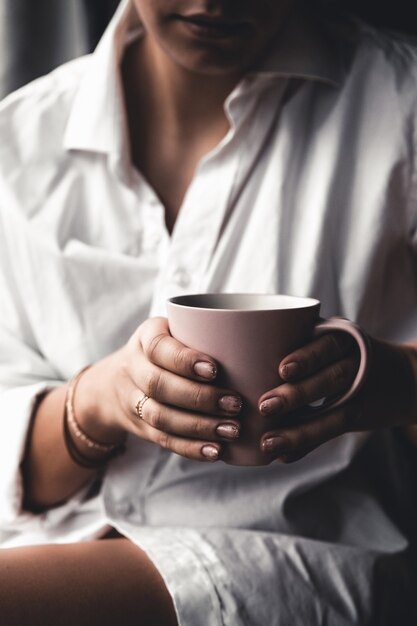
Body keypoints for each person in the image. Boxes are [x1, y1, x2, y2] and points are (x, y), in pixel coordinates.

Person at [0, 0, 416, 624]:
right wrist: (100, 400)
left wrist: (382, 383)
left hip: (296, 556)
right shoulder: (18, 143)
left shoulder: (400, 105)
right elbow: (20, 479)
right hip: (46, 544)